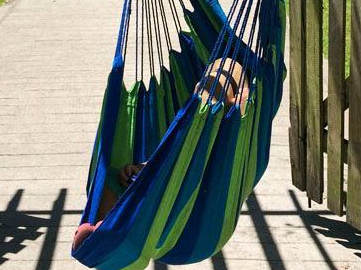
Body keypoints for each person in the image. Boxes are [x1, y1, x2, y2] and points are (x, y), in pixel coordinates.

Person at [72, 57, 249, 251]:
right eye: (199, 88)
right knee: (110, 179)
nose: (198, 93)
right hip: (163, 190)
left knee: (119, 190)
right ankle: (108, 232)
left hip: (184, 199)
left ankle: (108, 235)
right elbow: (167, 161)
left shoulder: (224, 133)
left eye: (201, 88)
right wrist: (141, 168)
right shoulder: (193, 127)